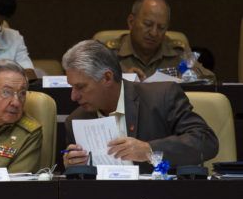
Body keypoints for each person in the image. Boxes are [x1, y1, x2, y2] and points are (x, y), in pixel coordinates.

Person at [62, 40, 218, 173]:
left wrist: (149, 151)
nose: (73, 96)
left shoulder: (162, 97)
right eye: (72, 87)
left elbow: (206, 141)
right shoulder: (76, 120)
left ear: (107, 78)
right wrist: (74, 168)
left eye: (81, 87)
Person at [105, 0, 214, 81]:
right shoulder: (109, 54)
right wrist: (121, 80)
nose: (154, 33)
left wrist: (188, 75)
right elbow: (91, 88)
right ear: (131, 22)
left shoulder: (177, 53)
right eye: (148, 24)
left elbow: (209, 79)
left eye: (161, 28)